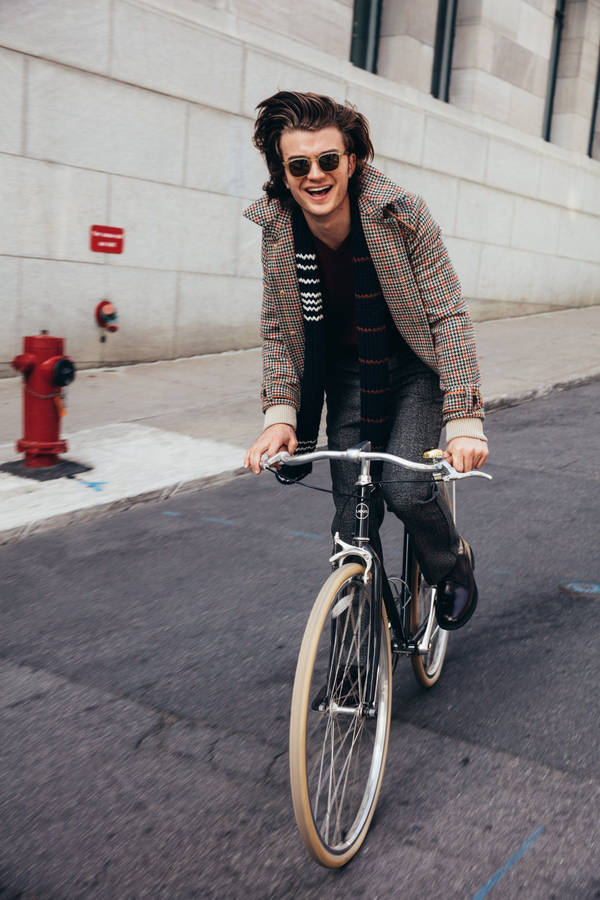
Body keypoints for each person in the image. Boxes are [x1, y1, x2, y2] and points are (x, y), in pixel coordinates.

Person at [243, 90, 489, 630]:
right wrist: (279, 417)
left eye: (328, 160)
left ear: (351, 161)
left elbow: (447, 315)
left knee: (404, 488)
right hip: (349, 375)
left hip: (414, 367)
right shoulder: (280, 231)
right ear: (283, 173)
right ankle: (354, 667)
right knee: (351, 522)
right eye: (299, 165)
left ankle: (450, 563)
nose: (316, 175)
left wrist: (464, 420)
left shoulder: (400, 214)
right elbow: (281, 328)